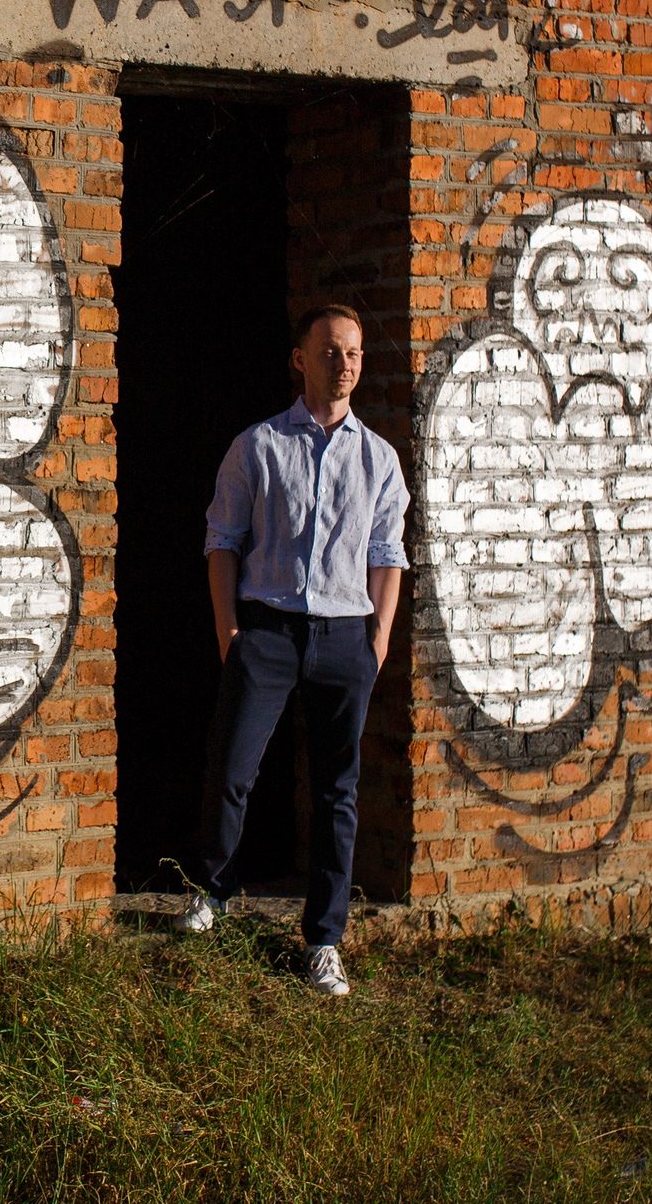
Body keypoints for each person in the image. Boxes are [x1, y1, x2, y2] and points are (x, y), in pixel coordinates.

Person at [176, 302, 407, 998]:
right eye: (331, 351)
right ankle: (210, 891)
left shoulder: (378, 458)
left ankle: (324, 940)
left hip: (346, 635)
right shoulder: (259, 446)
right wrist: (230, 633)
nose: (345, 364)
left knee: (338, 790)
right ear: (300, 358)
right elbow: (222, 541)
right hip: (268, 630)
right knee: (233, 765)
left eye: (354, 353)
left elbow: (387, 553)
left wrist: (378, 639)